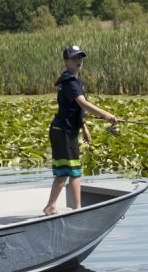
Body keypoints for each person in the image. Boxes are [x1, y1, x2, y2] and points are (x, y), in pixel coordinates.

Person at [44, 45, 118, 215]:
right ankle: (77, 209)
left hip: (64, 130)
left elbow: (75, 109)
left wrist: (84, 127)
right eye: (74, 58)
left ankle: (51, 206)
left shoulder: (75, 81)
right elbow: (83, 103)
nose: (78, 61)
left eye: (80, 58)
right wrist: (106, 114)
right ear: (66, 62)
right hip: (63, 131)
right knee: (73, 171)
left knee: (65, 171)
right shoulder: (70, 82)